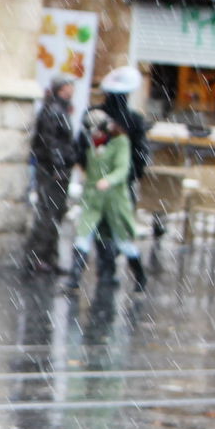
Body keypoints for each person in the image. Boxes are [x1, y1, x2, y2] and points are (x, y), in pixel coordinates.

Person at [67, 109, 146, 292]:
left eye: (97, 131)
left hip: (114, 201)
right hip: (93, 199)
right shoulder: (89, 143)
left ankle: (140, 277)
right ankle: (74, 279)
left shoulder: (120, 142)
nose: (95, 135)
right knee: (83, 236)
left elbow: (122, 169)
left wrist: (108, 180)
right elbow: (83, 162)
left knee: (123, 242)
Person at [85, 67, 149, 281]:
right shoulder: (134, 120)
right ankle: (125, 268)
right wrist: (133, 174)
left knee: (100, 223)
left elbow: (84, 148)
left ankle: (107, 264)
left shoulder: (94, 115)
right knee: (119, 224)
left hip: (98, 182)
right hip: (121, 183)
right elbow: (141, 154)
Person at [23, 74, 77, 274]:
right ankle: (37, 256)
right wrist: (57, 166)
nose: (73, 90)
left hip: (57, 169)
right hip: (51, 170)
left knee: (56, 212)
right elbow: (50, 141)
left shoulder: (60, 109)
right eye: (70, 86)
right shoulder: (53, 110)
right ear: (62, 89)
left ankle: (47, 255)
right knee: (48, 212)